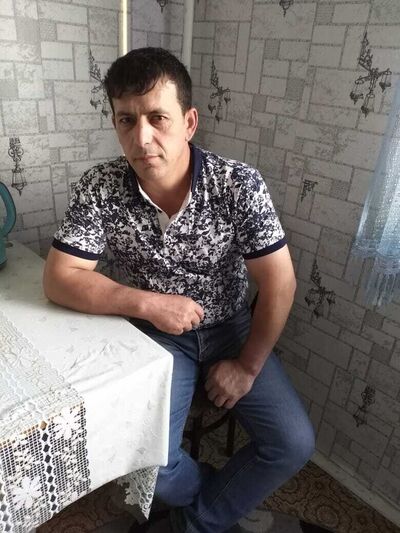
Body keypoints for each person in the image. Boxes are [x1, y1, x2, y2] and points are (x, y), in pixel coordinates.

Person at [43, 47, 315, 533]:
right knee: (152, 467)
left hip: (232, 328)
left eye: (158, 118)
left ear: (189, 123)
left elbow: (280, 282)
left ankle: (195, 523)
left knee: (293, 443)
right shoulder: (100, 186)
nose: (141, 138)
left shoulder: (237, 184)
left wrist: (247, 367)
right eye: (126, 120)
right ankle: (214, 499)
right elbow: (59, 277)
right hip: (156, 336)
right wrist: (148, 303)